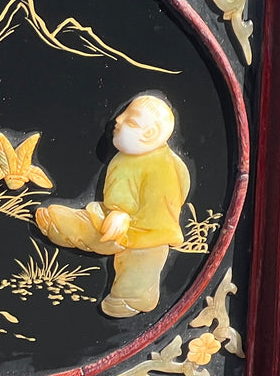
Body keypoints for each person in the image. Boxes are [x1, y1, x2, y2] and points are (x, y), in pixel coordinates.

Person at [34, 94, 191, 318]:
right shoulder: (162, 161)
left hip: (137, 229)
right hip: (145, 230)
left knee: (134, 261)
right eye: (122, 114)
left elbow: (129, 199)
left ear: (149, 134)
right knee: (135, 256)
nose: (117, 120)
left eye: (130, 120)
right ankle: (133, 296)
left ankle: (130, 299)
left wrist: (122, 214)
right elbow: (184, 183)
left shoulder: (139, 164)